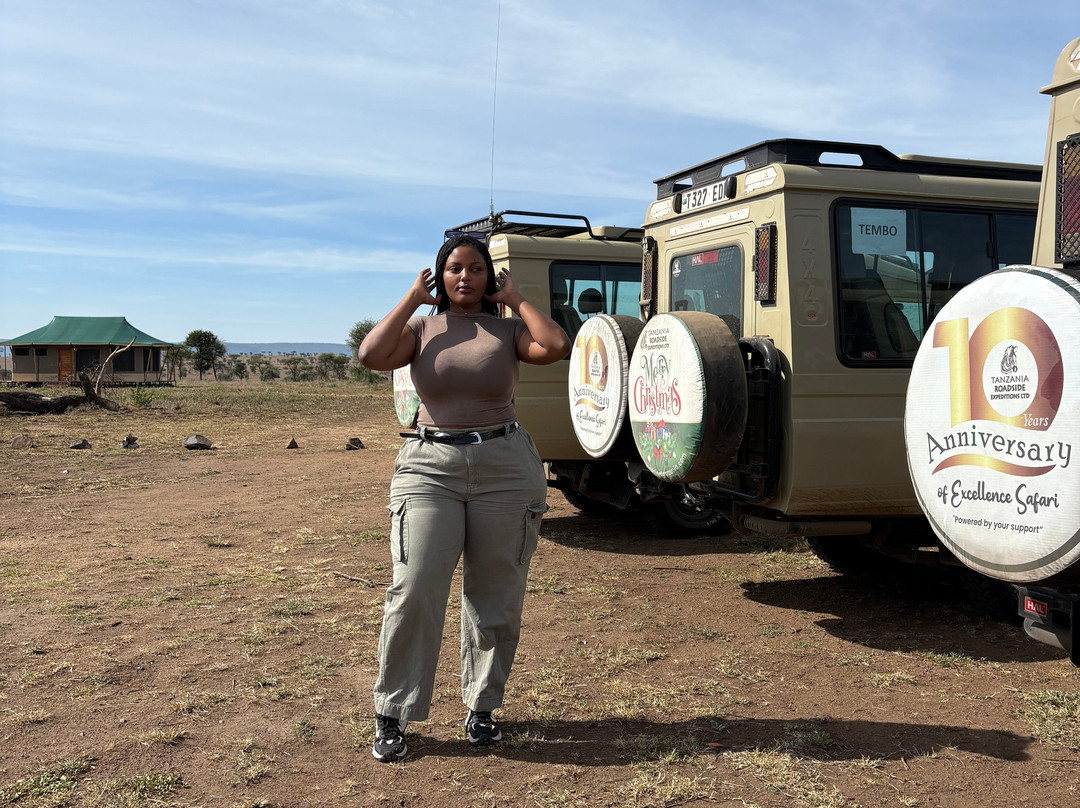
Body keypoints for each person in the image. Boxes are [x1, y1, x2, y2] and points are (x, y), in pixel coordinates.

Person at [357, 233, 571, 763]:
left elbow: (556, 346)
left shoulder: (508, 328)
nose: (465, 277)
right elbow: (371, 354)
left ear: (489, 277)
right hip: (430, 466)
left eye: (476, 268)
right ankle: (393, 711)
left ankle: (482, 706)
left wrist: (516, 298)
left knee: (495, 590)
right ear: (440, 275)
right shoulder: (421, 328)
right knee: (415, 587)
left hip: (504, 465)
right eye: (454, 268)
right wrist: (412, 298)